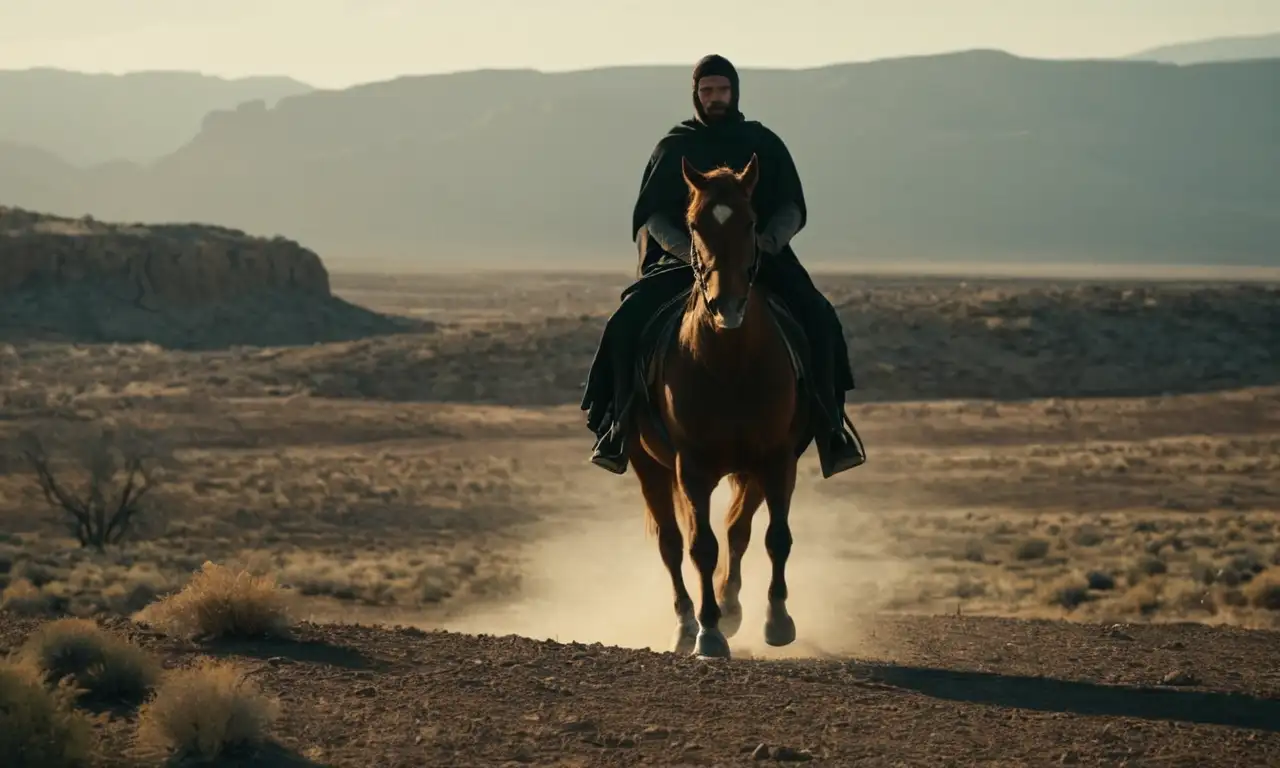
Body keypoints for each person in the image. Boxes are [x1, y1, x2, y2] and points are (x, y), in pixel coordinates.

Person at [581, 53, 867, 478]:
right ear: (696, 94)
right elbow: (653, 216)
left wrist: (767, 242)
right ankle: (617, 426)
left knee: (820, 317)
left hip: (758, 259)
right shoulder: (674, 147)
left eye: (722, 90)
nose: (715, 98)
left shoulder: (763, 143)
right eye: (707, 90)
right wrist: (689, 252)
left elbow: (790, 204)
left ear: (735, 92)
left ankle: (830, 428)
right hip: (685, 263)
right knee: (625, 323)